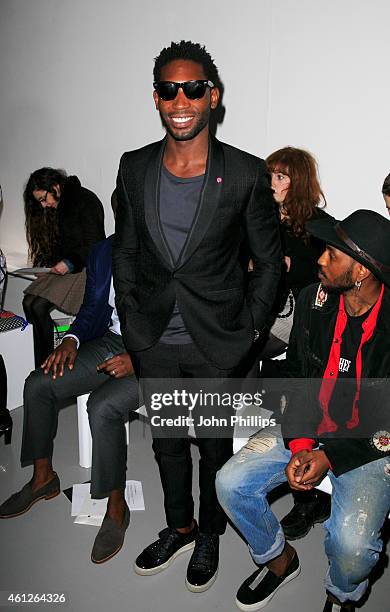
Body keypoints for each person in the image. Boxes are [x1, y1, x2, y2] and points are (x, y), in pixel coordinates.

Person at [113, 40, 281, 593]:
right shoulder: (134, 167)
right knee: (166, 445)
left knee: (212, 449)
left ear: (213, 95)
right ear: (155, 97)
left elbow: (269, 265)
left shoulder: (245, 174)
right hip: (155, 339)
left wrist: (251, 329)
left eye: (192, 88)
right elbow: (127, 251)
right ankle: (178, 525)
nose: (180, 100)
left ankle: (209, 533)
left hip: (216, 343)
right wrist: (132, 319)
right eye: (168, 89)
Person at [216, 210, 390, 612]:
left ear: (361, 271)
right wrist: (299, 443)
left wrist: (329, 455)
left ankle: (341, 593)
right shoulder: (315, 301)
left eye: (332, 253)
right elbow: (295, 379)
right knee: (230, 483)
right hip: (310, 426)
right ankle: (279, 560)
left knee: (352, 547)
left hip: (368, 445)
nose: (321, 260)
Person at [0, 235, 139, 565]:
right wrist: (72, 339)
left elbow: (181, 322)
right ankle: (43, 478)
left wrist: (139, 360)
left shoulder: (168, 249)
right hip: (112, 341)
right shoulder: (103, 251)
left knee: (102, 406)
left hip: (155, 356)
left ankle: (116, 505)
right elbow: (93, 307)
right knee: (38, 384)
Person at [264, 146, 333, 538]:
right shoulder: (265, 217)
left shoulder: (319, 225)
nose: (272, 183)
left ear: (298, 182)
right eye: (270, 174)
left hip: (306, 320)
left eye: (281, 176)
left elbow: (318, 280)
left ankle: (309, 501)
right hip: (273, 311)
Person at [23, 167, 105, 367]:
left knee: (39, 306)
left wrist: (69, 263)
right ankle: (45, 358)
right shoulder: (56, 207)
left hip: (84, 267)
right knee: (29, 304)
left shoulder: (85, 200)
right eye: (39, 201)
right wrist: (45, 266)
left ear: (56, 186)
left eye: (44, 199)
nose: (43, 205)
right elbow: (56, 245)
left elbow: (95, 244)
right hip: (66, 268)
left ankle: (46, 363)